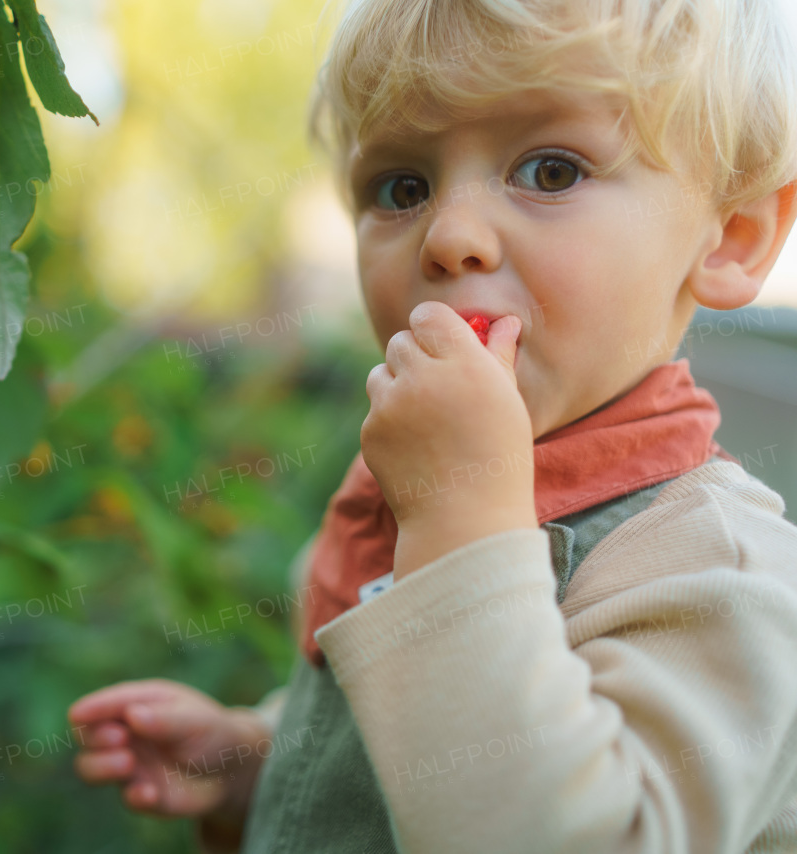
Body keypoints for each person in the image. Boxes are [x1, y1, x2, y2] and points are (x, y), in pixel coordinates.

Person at [69, 0, 797, 850]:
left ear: (732, 238)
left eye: (552, 171)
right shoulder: (410, 496)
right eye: (401, 188)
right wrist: (258, 767)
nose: (449, 237)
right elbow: (411, 765)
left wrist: (459, 523)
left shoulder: (714, 569)